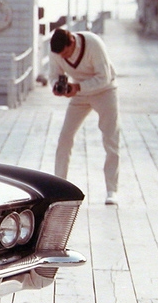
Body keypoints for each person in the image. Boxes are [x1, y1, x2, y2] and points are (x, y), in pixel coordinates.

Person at [49, 27, 120, 205]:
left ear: (72, 41)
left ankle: (112, 190)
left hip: (105, 92)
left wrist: (77, 87)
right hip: (78, 94)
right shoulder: (57, 51)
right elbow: (54, 75)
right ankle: (59, 186)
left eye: (66, 54)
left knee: (110, 139)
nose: (64, 58)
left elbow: (104, 77)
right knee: (65, 138)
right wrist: (57, 86)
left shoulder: (93, 43)